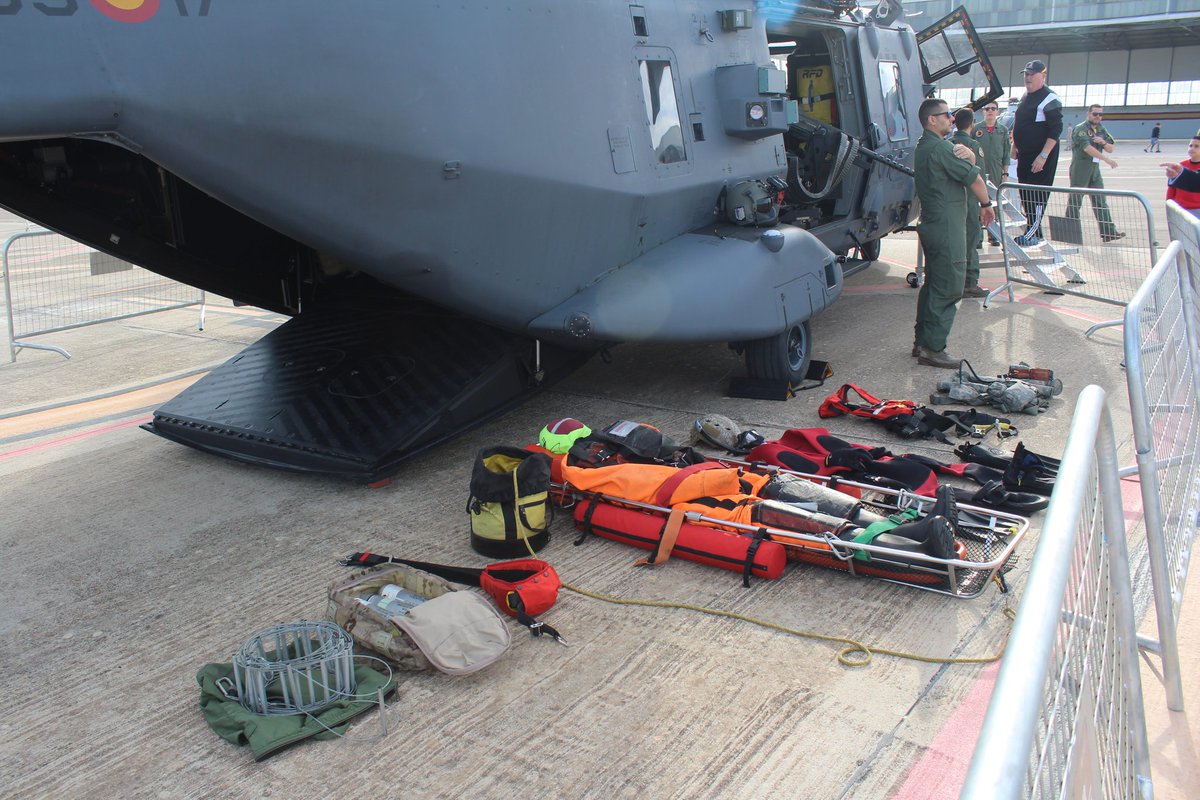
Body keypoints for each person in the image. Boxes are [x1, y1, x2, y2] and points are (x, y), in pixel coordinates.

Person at [912, 98, 995, 368]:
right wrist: (986, 205)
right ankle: (933, 348)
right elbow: (975, 179)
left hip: (932, 223)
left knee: (934, 284)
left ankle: (922, 341)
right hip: (948, 227)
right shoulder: (942, 149)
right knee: (949, 286)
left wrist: (968, 155)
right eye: (945, 115)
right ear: (931, 120)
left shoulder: (924, 146)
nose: (951, 118)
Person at [1010, 60, 1063, 246]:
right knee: (1025, 193)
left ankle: (1033, 232)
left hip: (1040, 157)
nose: (1028, 78)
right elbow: (1019, 122)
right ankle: (1033, 230)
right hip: (1024, 154)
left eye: (1032, 74)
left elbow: (1055, 131)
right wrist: (1014, 145)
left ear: (1043, 76)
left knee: (1037, 195)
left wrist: (1043, 156)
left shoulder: (1050, 99)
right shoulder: (1026, 96)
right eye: (1026, 74)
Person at [1066, 104, 1125, 242]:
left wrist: (1103, 142)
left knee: (1100, 201)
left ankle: (1109, 233)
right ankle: (1070, 234)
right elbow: (1087, 148)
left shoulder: (1101, 129)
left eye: (1100, 114)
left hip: (1094, 169)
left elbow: (1111, 148)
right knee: (1075, 201)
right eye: (1095, 114)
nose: (1098, 117)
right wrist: (1106, 159)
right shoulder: (1081, 129)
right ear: (1088, 114)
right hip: (1081, 167)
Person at [952, 108, 988, 296]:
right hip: (970, 202)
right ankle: (970, 283)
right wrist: (986, 204)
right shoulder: (972, 146)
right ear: (971, 124)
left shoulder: (947, 144)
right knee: (971, 242)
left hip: (951, 203)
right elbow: (978, 175)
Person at [975, 101, 1011, 245]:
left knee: (994, 203)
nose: (990, 111)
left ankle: (993, 235)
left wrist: (1005, 174)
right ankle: (978, 237)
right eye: (987, 108)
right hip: (980, 171)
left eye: (993, 109)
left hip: (996, 171)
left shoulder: (1002, 130)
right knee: (979, 202)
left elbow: (1006, 154)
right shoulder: (977, 129)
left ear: (998, 111)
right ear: (983, 111)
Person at [1165, 136, 1200, 219]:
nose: (1192, 148)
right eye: (1190, 145)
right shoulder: (1180, 166)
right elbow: (1171, 189)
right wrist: (1169, 205)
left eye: (1196, 146)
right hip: (1181, 210)